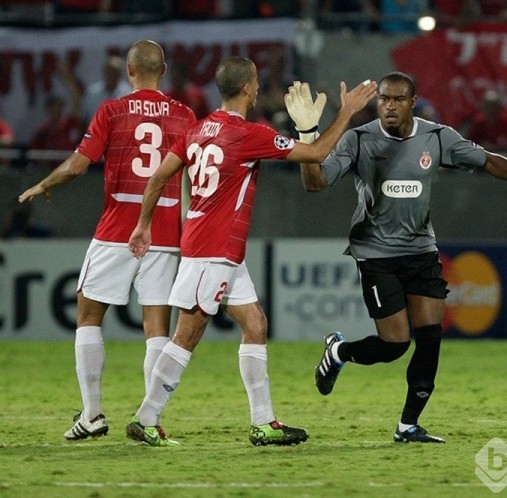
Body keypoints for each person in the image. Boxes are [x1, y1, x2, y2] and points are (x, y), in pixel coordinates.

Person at [296, 71, 507, 443]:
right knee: (394, 345)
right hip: (376, 254)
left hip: (421, 250)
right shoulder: (358, 140)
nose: (389, 106)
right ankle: (338, 351)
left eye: (397, 100)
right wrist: (308, 136)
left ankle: (408, 425)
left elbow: (484, 159)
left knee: (431, 336)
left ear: (412, 102)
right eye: (383, 99)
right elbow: (315, 182)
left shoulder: (436, 137)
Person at [125, 56, 377, 447]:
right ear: (247, 88)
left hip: (219, 249)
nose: (259, 88)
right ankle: (146, 417)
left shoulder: (196, 131)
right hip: (214, 249)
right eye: (257, 82)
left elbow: (158, 176)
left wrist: (143, 223)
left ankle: (263, 423)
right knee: (187, 334)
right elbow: (316, 155)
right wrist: (346, 112)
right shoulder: (248, 134)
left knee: (255, 324)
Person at [18, 40, 196, 441]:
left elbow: (79, 165)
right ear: (163, 70)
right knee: (156, 328)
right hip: (165, 232)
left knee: (88, 316)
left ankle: (94, 413)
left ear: (130, 72)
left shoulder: (113, 111)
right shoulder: (184, 115)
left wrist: (45, 182)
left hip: (118, 228)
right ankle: (149, 420)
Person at [80, 56, 131, 125]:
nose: (112, 76)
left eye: (115, 72)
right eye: (109, 72)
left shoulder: (129, 93)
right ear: (104, 72)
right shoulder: (92, 93)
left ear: (120, 74)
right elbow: (84, 118)